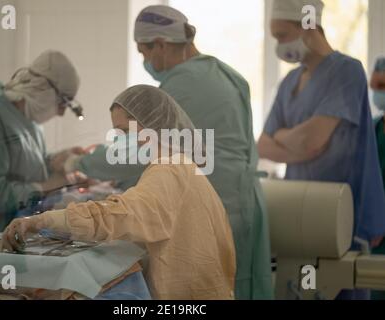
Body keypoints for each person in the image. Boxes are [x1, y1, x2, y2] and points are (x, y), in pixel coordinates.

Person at [60, 5, 273, 300]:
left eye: (144, 52)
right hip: (247, 202)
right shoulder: (228, 75)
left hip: (216, 204)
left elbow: (138, 150)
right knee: (242, 286)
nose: (145, 60)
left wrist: (80, 161)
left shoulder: (184, 83)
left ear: (160, 44)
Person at [0, 85, 236, 300]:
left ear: (152, 126)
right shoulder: (181, 165)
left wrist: (40, 220)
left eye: (124, 132)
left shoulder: (169, 170)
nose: (119, 142)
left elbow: (118, 214)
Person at [258, 0, 385, 299]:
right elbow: (263, 145)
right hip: (298, 216)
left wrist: (285, 136)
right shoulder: (290, 80)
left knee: (337, 290)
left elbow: (310, 141)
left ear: (308, 25)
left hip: (339, 219)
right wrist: (301, 144)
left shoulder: (347, 71)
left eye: (282, 35)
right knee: (303, 289)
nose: (279, 45)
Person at [0, 50, 86, 233]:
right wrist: (44, 187)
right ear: (43, 88)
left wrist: (55, 161)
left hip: (14, 238)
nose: (61, 113)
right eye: (62, 103)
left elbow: (23, 168)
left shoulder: (31, 122)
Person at [370, 57, 385, 300]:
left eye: (382, 87)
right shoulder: (372, 128)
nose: (376, 93)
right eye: (374, 87)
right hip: (372, 235)